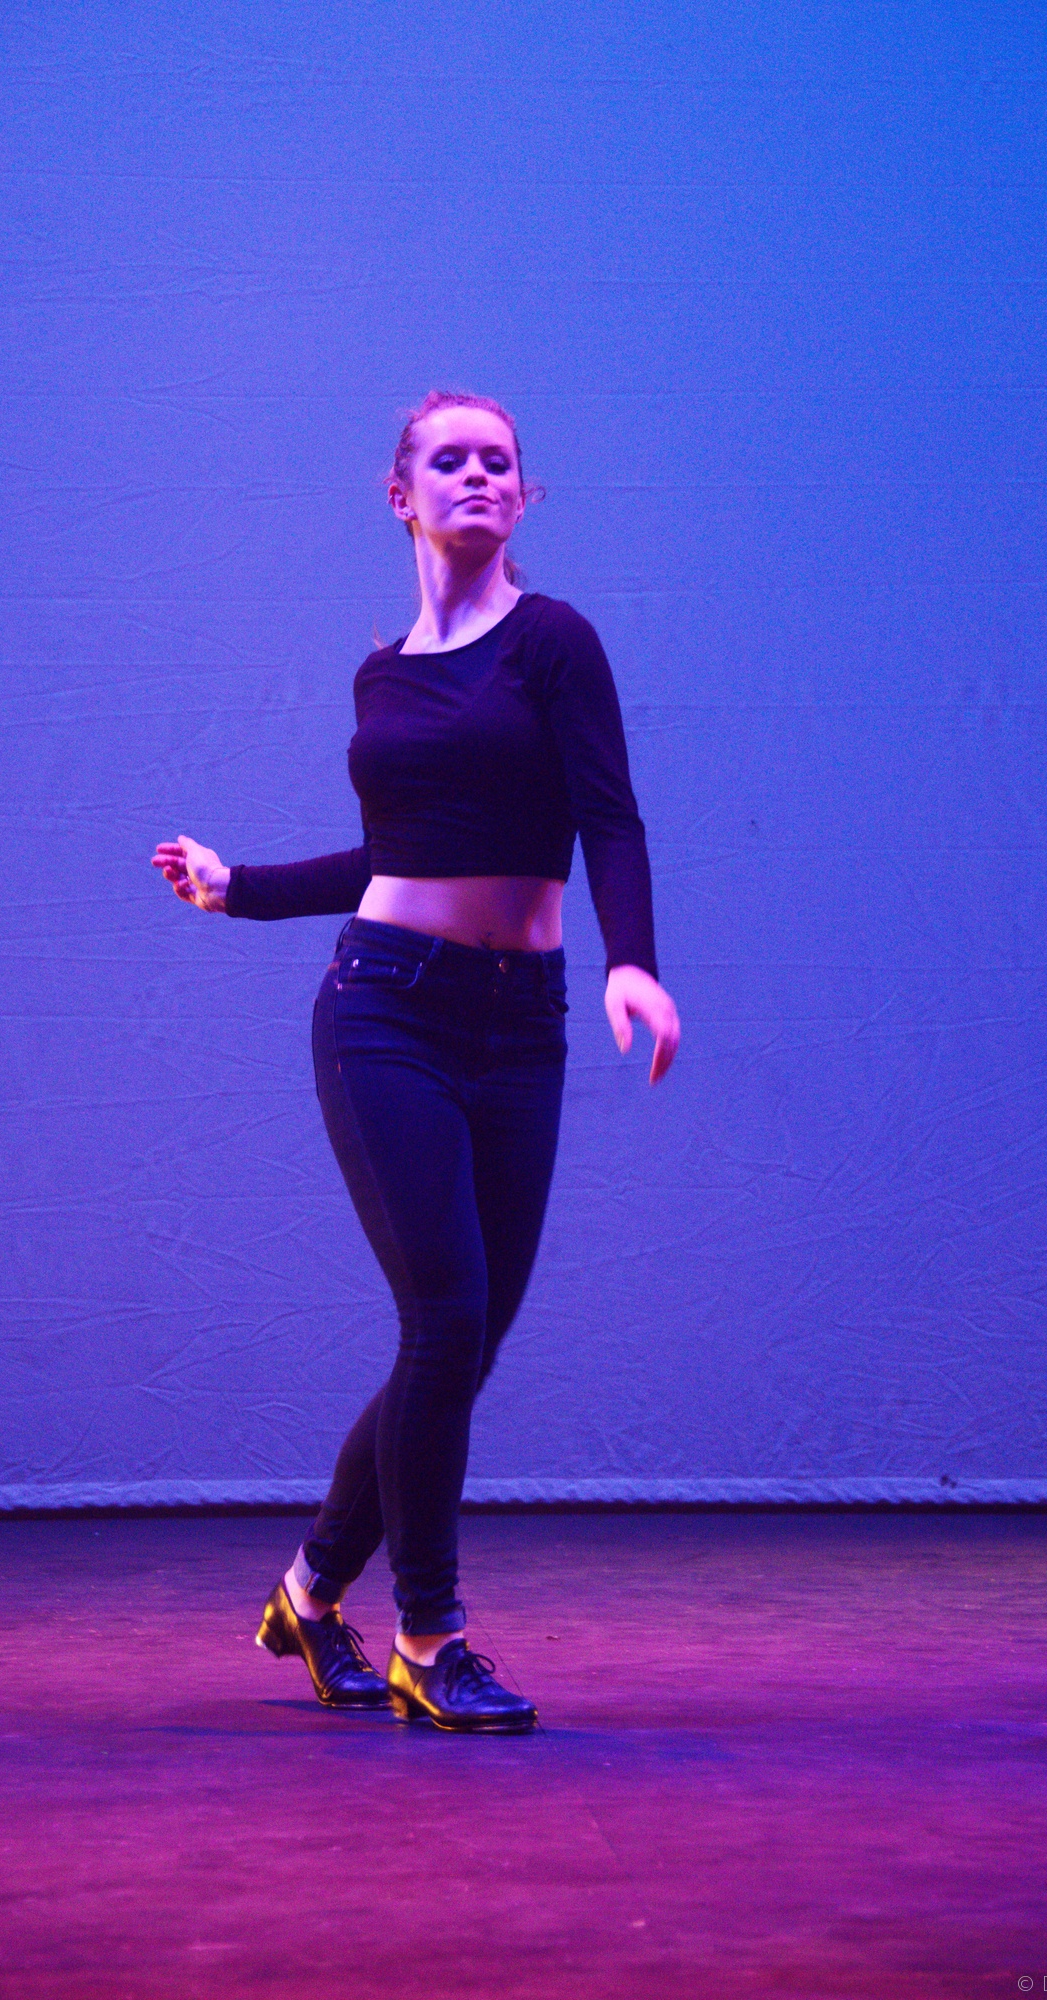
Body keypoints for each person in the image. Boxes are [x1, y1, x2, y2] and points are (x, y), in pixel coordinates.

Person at [152, 389, 680, 1732]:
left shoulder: (554, 643)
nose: (478, 475)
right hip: (385, 1009)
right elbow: (392, 858)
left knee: (466, 1338)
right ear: (402, 496)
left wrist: (630, 961)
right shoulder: (383, 674)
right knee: (446, 1319)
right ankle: (429, 1640)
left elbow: (608, 818)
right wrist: (240, 888)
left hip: (525, 1022)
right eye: (451, 459)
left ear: (524, 494)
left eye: (500, 460)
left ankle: (308, 1592)